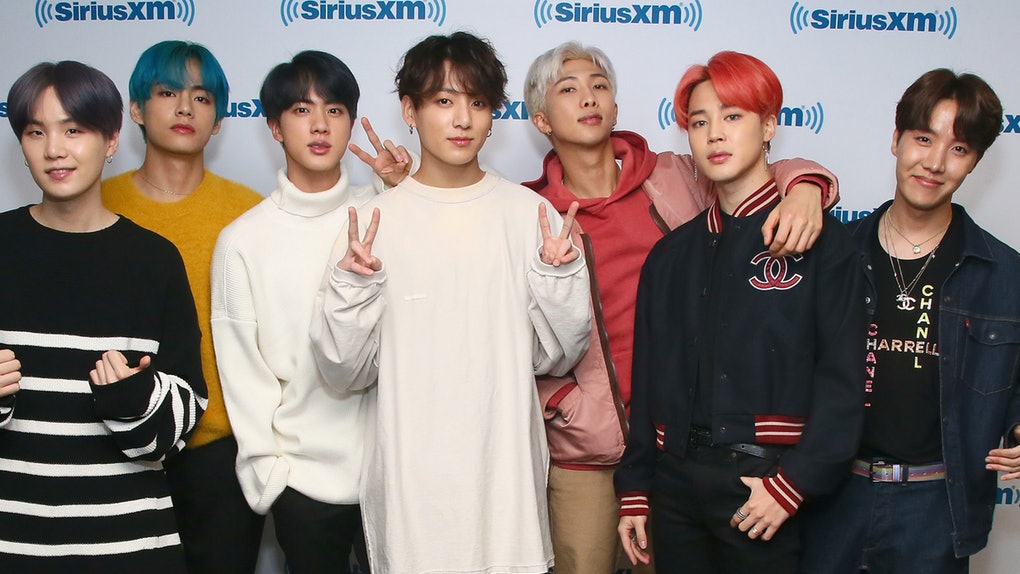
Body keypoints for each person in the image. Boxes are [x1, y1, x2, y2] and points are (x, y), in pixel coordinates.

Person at [520, 42, 841, 574]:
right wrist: (563, 402)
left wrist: (807, 186)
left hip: (683, 442)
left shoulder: (675, 174)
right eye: (569, 89)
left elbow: (753, 165)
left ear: (616, 105)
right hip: (589, 444)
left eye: (599, 86)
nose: (588, 98)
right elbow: (501, 327)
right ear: (539, 119)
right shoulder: (527, 213)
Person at [310, 31, 591, 574]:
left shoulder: (528, 215)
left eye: (478, 102)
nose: (462, 119)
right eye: (444, 100)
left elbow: (556, 356)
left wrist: (557, 278)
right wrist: (352, 289)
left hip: (505, 487)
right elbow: (343, 372)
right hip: (412, 492)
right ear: (409, 111)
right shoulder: (374, 225)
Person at [614, 51, 865, 573]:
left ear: (769, 126)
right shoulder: (671, 255)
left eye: (733, 116)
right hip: (675, 487)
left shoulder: (823, 242)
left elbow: (845, 382)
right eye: (699, 122)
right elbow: (649, 378)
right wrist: (636, 486)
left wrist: (793, 484)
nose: (715, 135)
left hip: (766, 486)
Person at [800, 69, 1020, 573]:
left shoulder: (1004, 274)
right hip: (831, 496)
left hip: (935, 508)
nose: (935, 162)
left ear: (975, 162)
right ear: (896, 139)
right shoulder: (835, 254)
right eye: (923, 139)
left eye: (958, 148)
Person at [0, 60, 205, 572]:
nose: (54, 149)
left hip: (131, 549)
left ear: (112, 140)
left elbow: (186, 413)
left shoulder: (154, 260)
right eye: (36, 132)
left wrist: (134, 403)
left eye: (74, 130)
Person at [211, 50, 404, 573]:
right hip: (303, 483)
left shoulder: (385, 212)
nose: (320, 125)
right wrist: (270, 475)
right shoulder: (243, 240)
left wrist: (403, 192)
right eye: (301, 110)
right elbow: (242, 370)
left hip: (395, 472)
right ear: (274, 127)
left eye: (335, 110)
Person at [100, 40, 266, 573]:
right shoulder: (96, 205)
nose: (185, 107)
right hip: (113, 440)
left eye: (201, 96)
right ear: (135, 109)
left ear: (218, 119)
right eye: (167, 92)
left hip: (222, 451)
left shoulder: (250, 213)